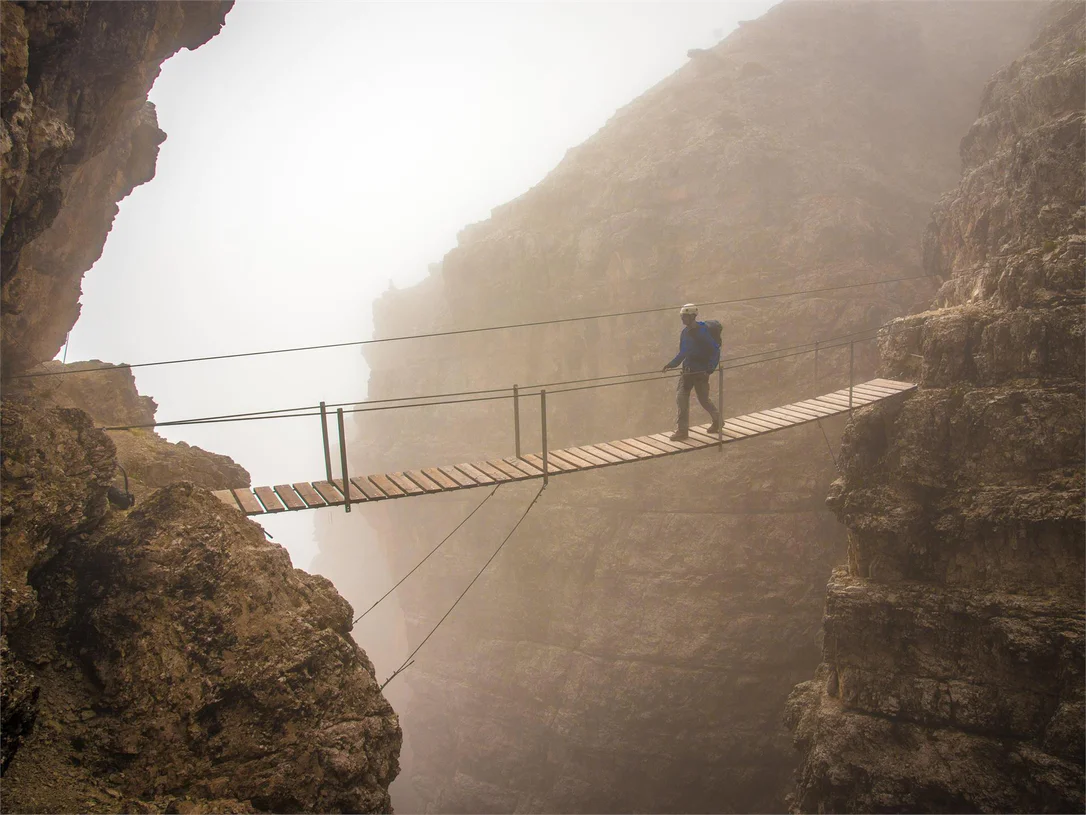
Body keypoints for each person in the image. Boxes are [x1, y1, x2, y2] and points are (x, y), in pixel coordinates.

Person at [661, 303, 721, 440]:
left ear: (692, 316)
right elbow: (683, 353)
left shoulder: (703, 332)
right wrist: (671, 364)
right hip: (687, 372)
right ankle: (682, 431)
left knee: (704, 400)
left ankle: (718, 421)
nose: (682, 319)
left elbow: (715, 350)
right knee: (681, 399)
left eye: (685, 317)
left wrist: (709, 370)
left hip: (700, 373)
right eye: (682, 316)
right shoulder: (685, 332)